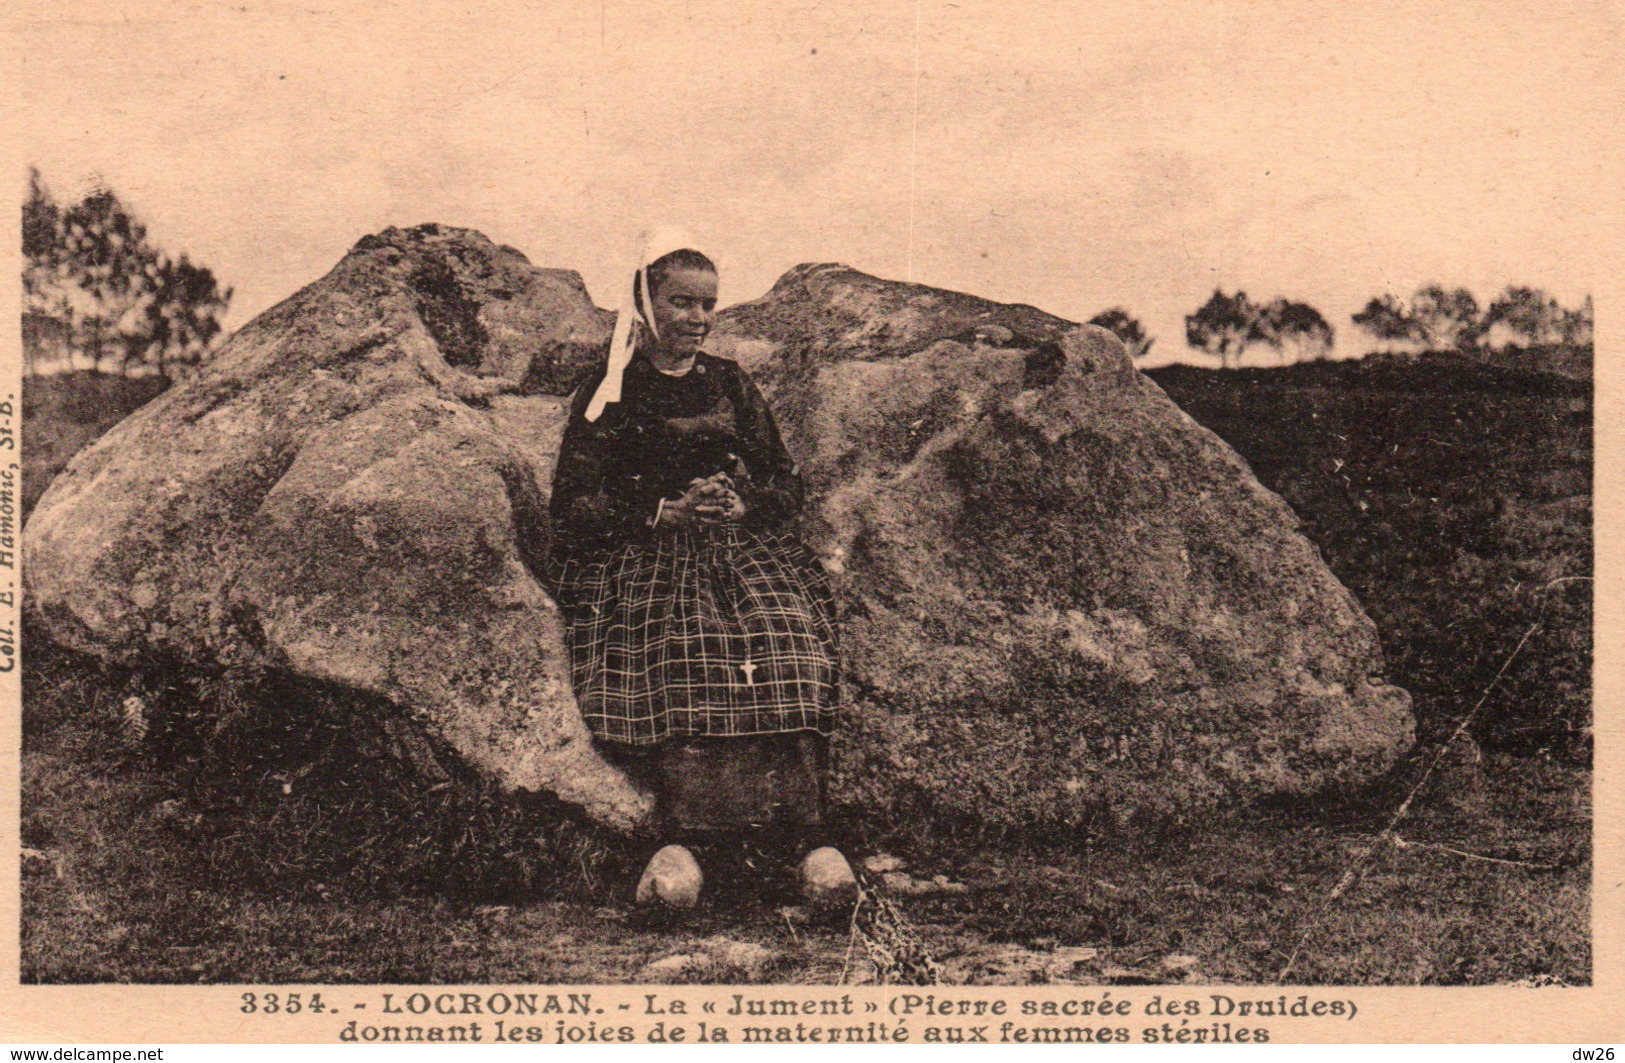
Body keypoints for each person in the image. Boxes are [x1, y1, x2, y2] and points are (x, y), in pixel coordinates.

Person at [548, 228, 856, 911]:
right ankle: (684, 845)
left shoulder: (728, 381)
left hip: (737, 551)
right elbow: (573, 501)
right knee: (689, 655)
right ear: (644, 302)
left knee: (788, 643)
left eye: (706, 304)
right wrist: (662, 510)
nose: (696, 318)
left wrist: (741, 502)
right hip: (644, 556)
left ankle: (811, 842)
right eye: (680, 302)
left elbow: (784, 480)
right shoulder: (611, 386)